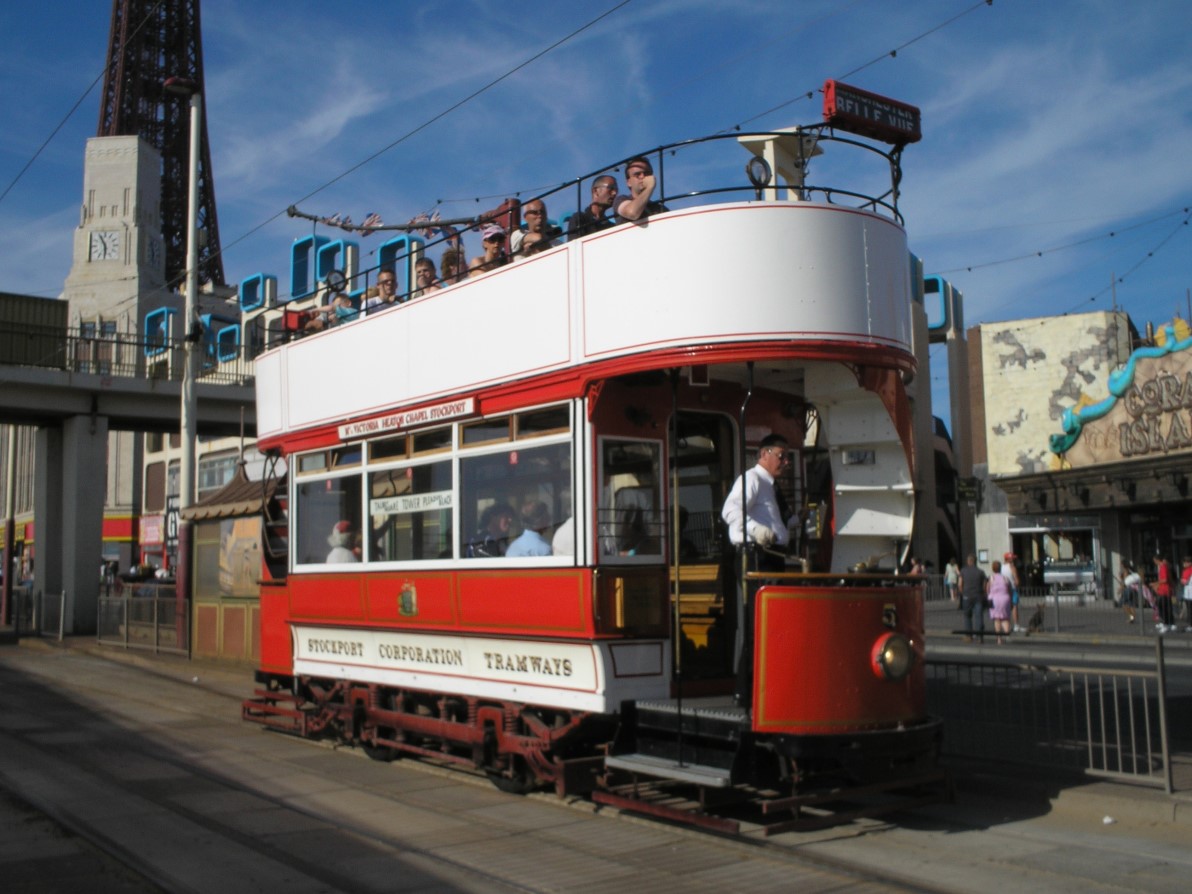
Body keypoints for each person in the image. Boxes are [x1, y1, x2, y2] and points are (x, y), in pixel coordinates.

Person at [721, 433, 792, 708]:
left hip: (773, 558)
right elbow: (730, 511)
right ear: (764, 454)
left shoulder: (770, 486)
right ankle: (745, 692)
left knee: (771, 626)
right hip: (758, 558)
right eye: (781, 455)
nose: (786, 462)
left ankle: (764, 689)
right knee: (759, 626)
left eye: (787, 457)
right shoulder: (752, 479)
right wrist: (756, 531)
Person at [613, 156, 668, 224]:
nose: (642, 176)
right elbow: (632, 213)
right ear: (629, 182)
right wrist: (649, 187)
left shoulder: (658, 207)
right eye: (637, 174)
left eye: (647, 173)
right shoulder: (621, 199)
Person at [567, 175, 618, 240]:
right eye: (611, 188)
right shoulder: (580, 219)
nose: (614, 193)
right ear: (595, 191)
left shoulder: (612, 226)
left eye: (616, 190)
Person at [958, 554, 988, 642]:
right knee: (979, 616)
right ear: (975, 561)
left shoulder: (963, 571)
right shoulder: (981, 571)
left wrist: (962, 593)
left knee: (967, 616)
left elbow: (960, 584)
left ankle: (969, 636)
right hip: (978, 596)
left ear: (968, 561)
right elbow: (985, 584)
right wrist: (982, 592)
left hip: (967, 596)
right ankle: (980, 637)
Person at [988, 559, 1012, 644]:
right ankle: (1007, 635)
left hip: (994, 600)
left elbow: (987, 589)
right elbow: (1010, 590)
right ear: (1000, 568)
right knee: (1005, 618)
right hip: (1005, 598)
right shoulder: (1005, 578)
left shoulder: (991, 578)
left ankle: (999, 638)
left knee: (997, 619)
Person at [1154, 554, 1175, 633]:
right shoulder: (1163, 567)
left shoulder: (1163, 567)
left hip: (1164, 590)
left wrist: (1155, 583)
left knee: (1164, 607)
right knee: (1163, 607)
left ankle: (1166, 624)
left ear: (1157, 560)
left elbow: (1164, 579)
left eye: (1155, 561)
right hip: (1163, 590)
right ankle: (1167, 623)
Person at [1002, 552, 1022, 632]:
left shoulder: (1001, 567)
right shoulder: (1012, 567)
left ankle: (1006, 625)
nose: (1014, 559)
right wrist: (1017, 583)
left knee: (1006, 608)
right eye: (1013, 558)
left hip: (1004, 589)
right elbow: (1016, 581)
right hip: (1013, 589)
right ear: (1009, 559)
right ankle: (1016, 625)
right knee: (1014, 607)